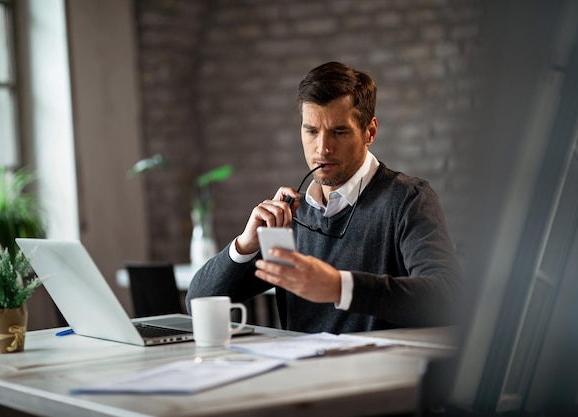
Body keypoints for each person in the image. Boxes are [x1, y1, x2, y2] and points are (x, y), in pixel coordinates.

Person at [186, 61, 462, 334]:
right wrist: (245, 245)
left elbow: (446, 298)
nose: (322, 148)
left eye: (339, 132)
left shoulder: (408, 199)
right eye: (311, 131)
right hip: (301, 374)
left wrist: (338, 287)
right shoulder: (292, 215)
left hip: (376, 375)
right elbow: (197, 302)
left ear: (370, 132)